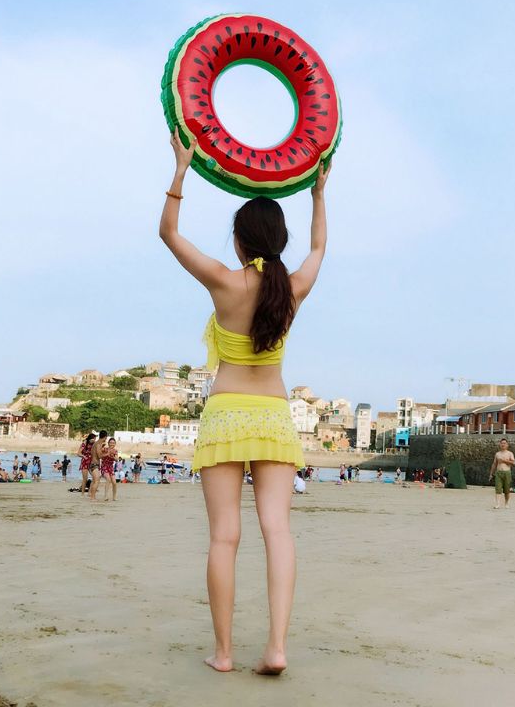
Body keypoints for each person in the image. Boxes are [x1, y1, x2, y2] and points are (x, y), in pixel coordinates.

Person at [160, 129, 330, 675]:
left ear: (240, 241)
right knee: (277, 531)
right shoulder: (293, 288)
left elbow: (168, 233)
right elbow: (319, 248)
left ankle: (226, 653)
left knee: (223, 536)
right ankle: (277, 648)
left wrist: (181, 170)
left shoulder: (224, 282)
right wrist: (318, 194)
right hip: (275, 417)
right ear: (278, 240)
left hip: (228, 413)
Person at [490, 438, 515, 509]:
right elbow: (494, 464)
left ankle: (506, 503)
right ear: (500, 444)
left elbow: (513, 463)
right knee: (498, 489)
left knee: (507, 490)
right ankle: (497, 504)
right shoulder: (497, 454)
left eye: (504, 443)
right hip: (498, 473)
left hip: (507, 472)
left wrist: (504, 461)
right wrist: (491, 473)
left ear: (507, 445)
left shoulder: (510, 453)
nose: (503, 444)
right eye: (501, 443)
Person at [88, 431, 108, 501]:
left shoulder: (95, 444)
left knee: (94, 481)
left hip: (92, 464)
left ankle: (91, 495)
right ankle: (92, 497)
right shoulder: (99, 444)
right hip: (94, 464)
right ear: (105, 437)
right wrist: (108, 453)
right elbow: (99, 456)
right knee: (97, 481)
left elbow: (94, 454)